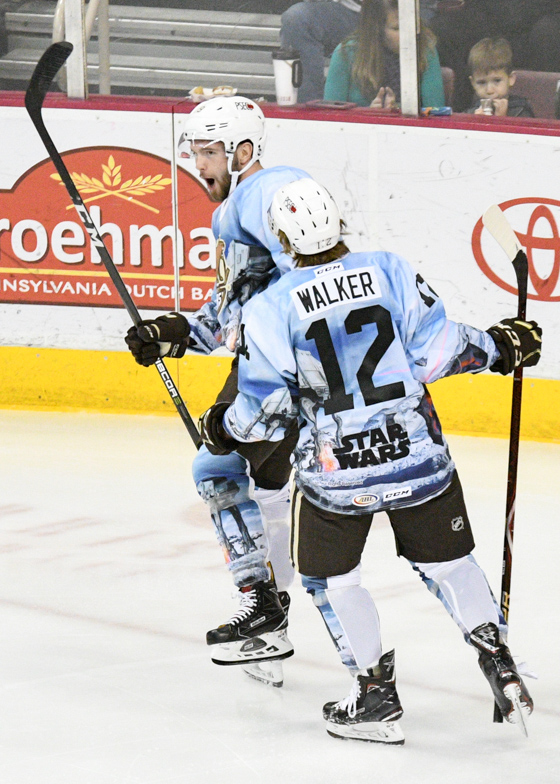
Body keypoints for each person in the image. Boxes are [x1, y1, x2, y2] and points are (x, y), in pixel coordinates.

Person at [198, 177, 540, 743]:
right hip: (418, 457)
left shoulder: (270, 307)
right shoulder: (389, 269)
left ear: (282, 238)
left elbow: (267, 412)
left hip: (337, 475)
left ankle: (375, 697)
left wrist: (222, 427)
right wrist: (501, 348)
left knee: (334, 581)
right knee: (451, 566)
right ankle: (498, 661)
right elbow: (438, 352)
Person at [125, 96, 310, 688]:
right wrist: (174, 332)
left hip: (283, 371)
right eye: (195, 151)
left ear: (243, 152)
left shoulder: (264, 201)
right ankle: (271, 624)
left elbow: (300, 286)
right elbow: (226, 311)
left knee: (219, 469)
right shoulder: (241, 213)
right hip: (284, 365)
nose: (197, 164)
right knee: (270, 491)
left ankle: (265, 616)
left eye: (208, 152)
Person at [280, 0, 436, 104]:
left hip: (412, 7)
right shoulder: (345, 51)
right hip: (350, 9)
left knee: (421, 36)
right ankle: (309, 117)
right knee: (297, 19)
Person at [433, 0, 560, 111]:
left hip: (539, 15)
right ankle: (463, 113)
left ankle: (548, 118)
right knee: (442, 27)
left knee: (548, 32)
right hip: (487, 12)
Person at [323, 0, 444, 109]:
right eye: (397, 28)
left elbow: (436, 113)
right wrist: (368, 116)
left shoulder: (426, 49)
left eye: (412, 25)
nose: (409, 34)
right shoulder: (345, 53)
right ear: (377, 30)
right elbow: (331, 116)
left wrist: (398, 111)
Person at [464, 37, 535, 117]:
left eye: (497, 81)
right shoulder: (471, 112)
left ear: (511, 78)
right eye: (481, 82)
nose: (489, 90)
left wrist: (501, 119)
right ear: (472, 83)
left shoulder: (521, 111)